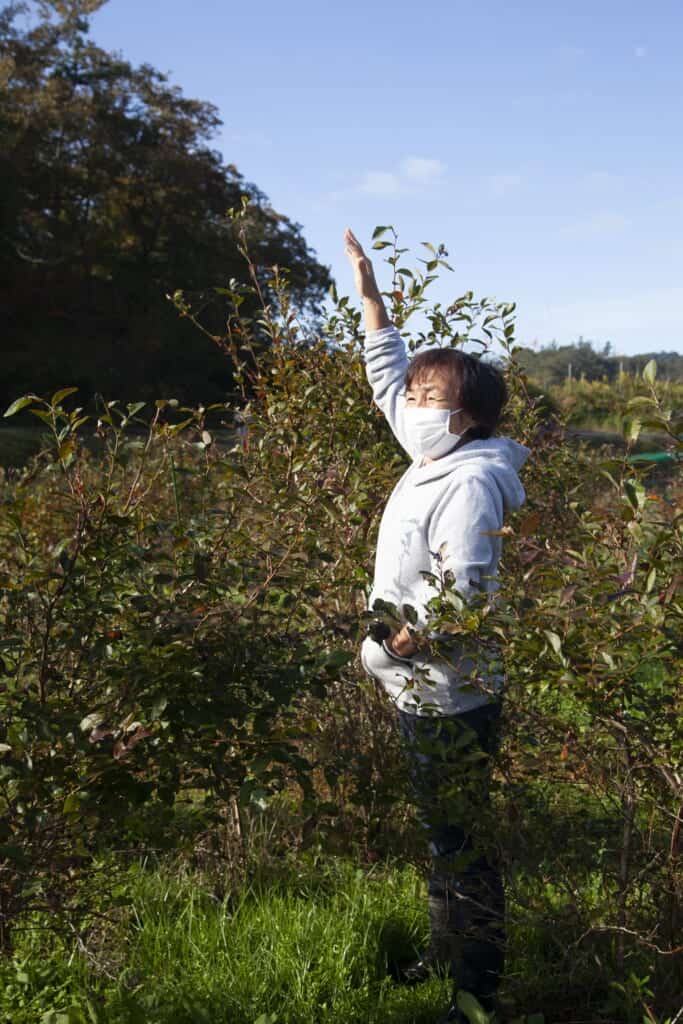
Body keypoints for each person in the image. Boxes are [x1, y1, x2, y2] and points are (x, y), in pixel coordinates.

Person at [343, 227, 530, 1023]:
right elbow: (387, 377)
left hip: (452, 691)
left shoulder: (471, 481)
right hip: (420, 688)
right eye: (415, 398)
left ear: (469, 416)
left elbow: (467, 593)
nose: (413, 408)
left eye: (432, 399)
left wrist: (397, 644)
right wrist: (372, 301)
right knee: (443, 835)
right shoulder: (432, 456)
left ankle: (475, 990)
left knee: (462, 844)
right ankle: (446, 951)